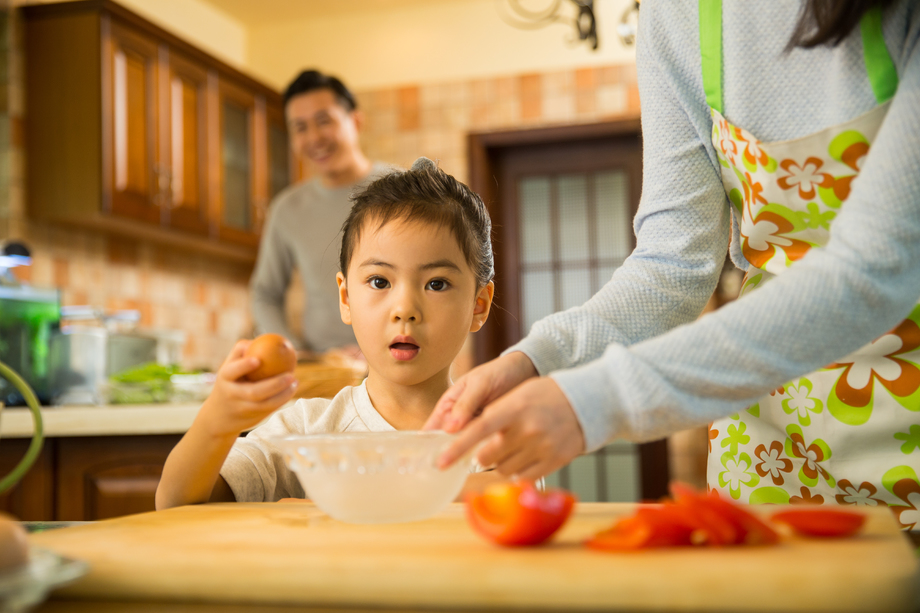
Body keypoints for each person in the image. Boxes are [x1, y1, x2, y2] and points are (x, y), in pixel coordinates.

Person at [427, 0, 920, 529]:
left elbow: (875, 267)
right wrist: (537, 360)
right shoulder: (676, 14)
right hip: (772, 443)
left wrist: (599, 399)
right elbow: (671, 264)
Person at [156, 158, 500, 509]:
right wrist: (218, 422)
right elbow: (176, 503)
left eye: (436, 283)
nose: (404, 309)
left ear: (478, 305)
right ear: (346, 297)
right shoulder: (305, 430)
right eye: (379, 281)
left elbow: (511, 489)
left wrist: (337, 500)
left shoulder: (496, 430)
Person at [250, 69, 391, 359]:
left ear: (356, 120)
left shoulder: (406, 189)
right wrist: (293, 351)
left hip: (401, 362)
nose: (313, 137)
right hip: (325, 375)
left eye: (324, 121)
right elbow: (264, 293)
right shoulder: (287, 209)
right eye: (300, 127)